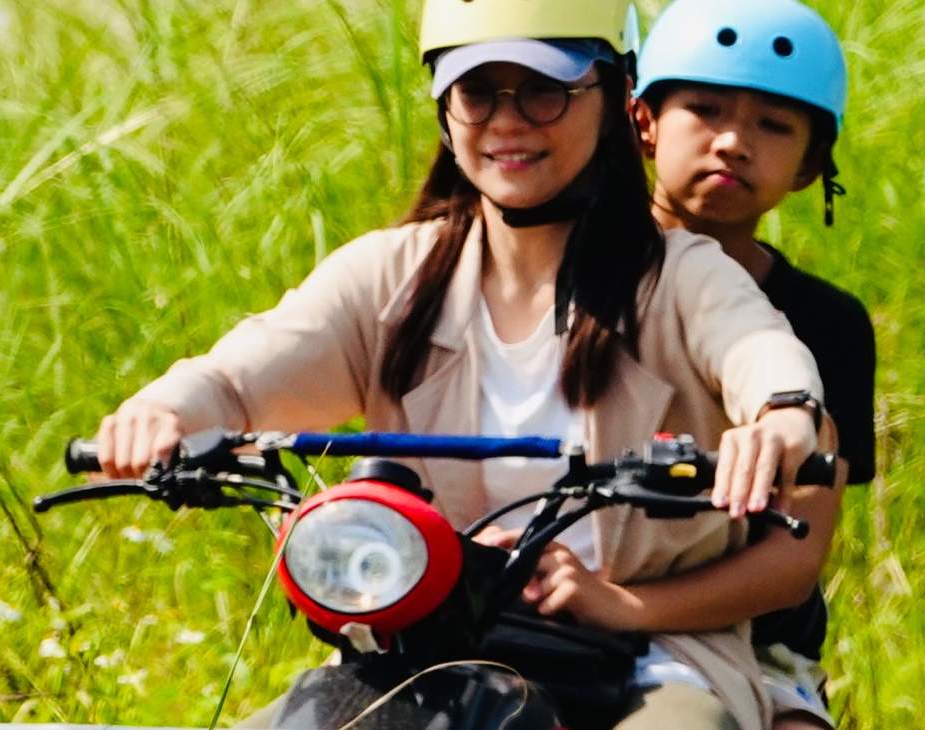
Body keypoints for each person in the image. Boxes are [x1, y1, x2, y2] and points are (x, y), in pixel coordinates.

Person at [89, 0, 833, 726]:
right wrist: (164, 411)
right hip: (427, 642)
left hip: (653, 654)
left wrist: (782, 420)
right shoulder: (394, 277)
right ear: (445, 107)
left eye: (544, 91)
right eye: (477, 92)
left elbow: (759, 352)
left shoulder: (680, 275)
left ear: (613, 96)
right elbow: (239, 375)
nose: (507, 120)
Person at [631, 0, 870, 727]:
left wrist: (626, 610)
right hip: (552, 598)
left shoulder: (827, 323)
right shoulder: (563, 271)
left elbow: (795, 556)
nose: (734, 141)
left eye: (775, 125)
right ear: (643, 121)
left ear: (811, 165)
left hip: (754, 642)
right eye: (704, 110)